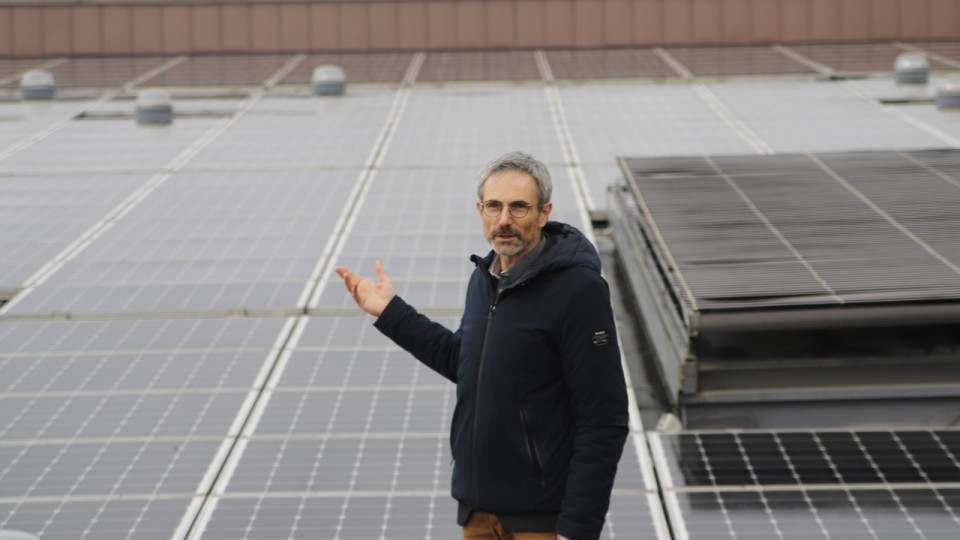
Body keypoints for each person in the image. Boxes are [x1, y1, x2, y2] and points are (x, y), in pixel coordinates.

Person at [334, 151, 629, 540]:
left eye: (519, 207)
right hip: (477, 512)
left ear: (544, 213)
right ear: (480, 209)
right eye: (494, 206)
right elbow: (466, 362)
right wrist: (390, 311)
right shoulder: (486, 278)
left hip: (542, 521)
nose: (504, 219)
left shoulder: (578, 290)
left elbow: (604, 418)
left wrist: (577, 528)